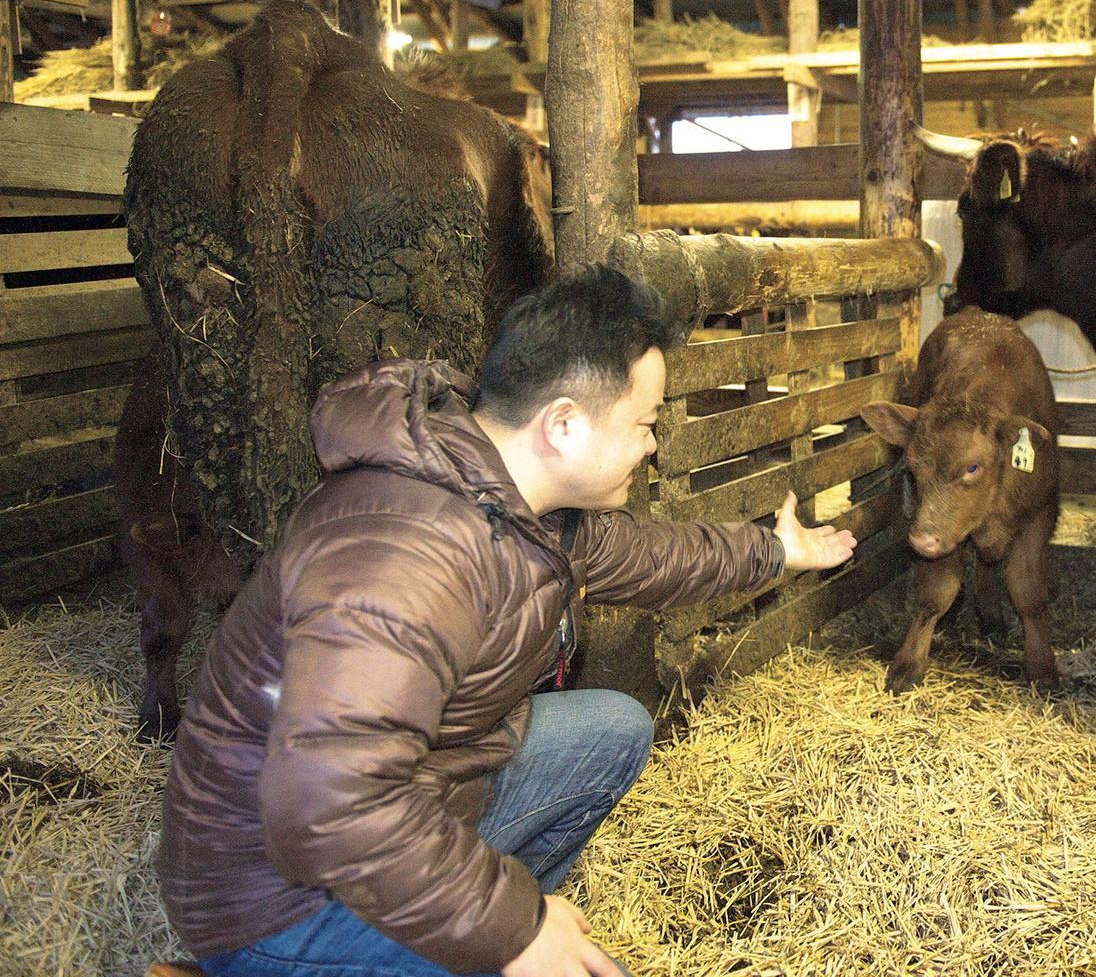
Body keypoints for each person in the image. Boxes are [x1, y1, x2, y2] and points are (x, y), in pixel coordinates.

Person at [156, 264, 857, 977]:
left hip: (411, 801)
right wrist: (513, 930)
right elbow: (322, 806)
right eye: (645, 424)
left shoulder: (521, 505)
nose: (653, 446)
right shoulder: (403, 552)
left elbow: (655, 556)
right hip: (275, 896)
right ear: (562, 423)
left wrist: (776, 550)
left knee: (614, 729)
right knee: (520, 944)